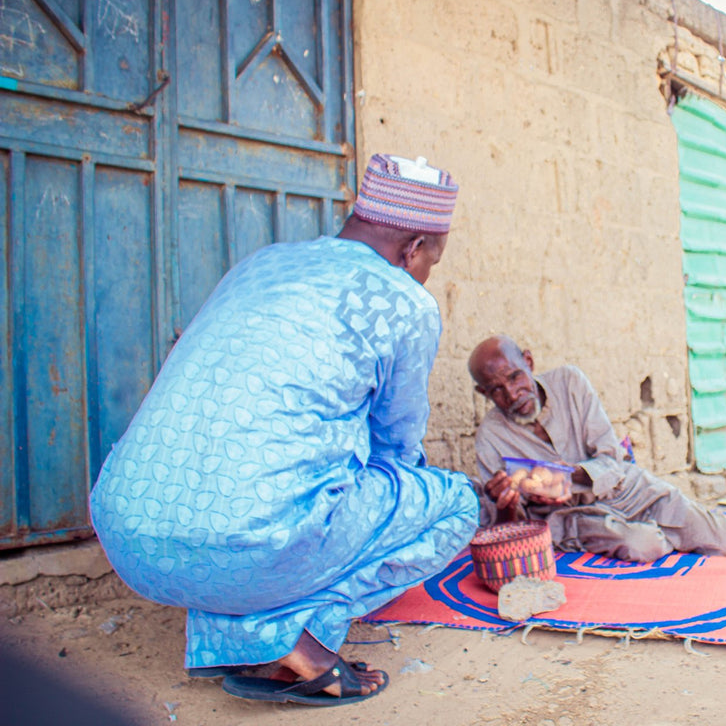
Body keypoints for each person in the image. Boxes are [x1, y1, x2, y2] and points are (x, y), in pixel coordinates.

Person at [89, 154, 479, 707]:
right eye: (429, 263)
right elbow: (396, 445)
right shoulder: (404, 300)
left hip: (128, 534)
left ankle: (238, 623)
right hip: (251, 543)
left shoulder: (261, 263)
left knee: (259, 509)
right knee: (456, 502)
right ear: (414, 248)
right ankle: (287, 639)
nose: (424, 275)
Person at [468, 336, 726, 563]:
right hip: (573, 517)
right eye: (497, 390)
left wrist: (564, 476)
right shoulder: (490, 437)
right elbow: (510, 527)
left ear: (528, 362)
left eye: (515, 377)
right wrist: (507, 503)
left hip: (625, 490)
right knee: (645, 545)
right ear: (484, 394)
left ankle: (670, 526)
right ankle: (663, 533)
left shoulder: (569, 382)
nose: (512, 393)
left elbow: (611, 456)